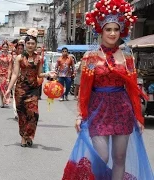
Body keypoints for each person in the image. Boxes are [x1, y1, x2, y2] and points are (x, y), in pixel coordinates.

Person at [62, 0, 154, 179]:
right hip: (98, 109)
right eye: (108, 29)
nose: (112, 33)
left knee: (119, 157)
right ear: (101, 30)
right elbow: (85, 89)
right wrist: (80, 114)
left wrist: (138, 116)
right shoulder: (91, 57)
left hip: (122, 109)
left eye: (116, 29)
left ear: (121, 31)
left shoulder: (127, 58)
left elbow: (133, 89)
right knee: (101, 156)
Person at [4, 28, 54, 147]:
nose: (30, 45)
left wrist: (48, 74)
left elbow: (39, 74)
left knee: (33, 113)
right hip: (20, 89)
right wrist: (8, 89)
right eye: (28, 43)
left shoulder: (39, 58)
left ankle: (29, 135)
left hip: (33, 89)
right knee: (22, 114)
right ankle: (23, 137)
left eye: (33, 43)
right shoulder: (19, 58)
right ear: (25, 44)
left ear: (36, 44)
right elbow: (15, 74)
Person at [0, 42, 13, 108]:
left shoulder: (10, 57)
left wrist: (8, 77)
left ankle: (5, 100)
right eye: (4, 47)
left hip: (7, 74)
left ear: (8, 48)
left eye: (6, 47)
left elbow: (10, 67)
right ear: (2, 48)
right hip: (0, 74)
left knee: (6, 88)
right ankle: (2, 102)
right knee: (1, 88)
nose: (5, 48)